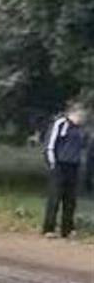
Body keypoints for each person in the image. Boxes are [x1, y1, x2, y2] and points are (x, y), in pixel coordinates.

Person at [41, 101, 88, 238]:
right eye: (79, 114)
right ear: (72, 113)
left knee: (70, 199)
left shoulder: (81, 130)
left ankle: (67, 229)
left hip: (74, 166)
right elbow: (50, 145)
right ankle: (48, 228)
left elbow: (83, 147)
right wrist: (52, 163)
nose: (82, 117)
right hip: (60, 165)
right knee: (55, 197)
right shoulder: (61, 124)